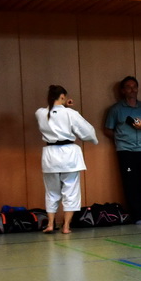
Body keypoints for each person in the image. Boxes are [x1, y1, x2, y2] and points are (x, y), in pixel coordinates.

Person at [36, 85, 98, 234]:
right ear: (63, 96)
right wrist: (93, 140)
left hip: (50, 156)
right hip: (69, 156)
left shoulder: (40, 113)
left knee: (51, 192)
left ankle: (50, 224)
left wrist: (62, 106)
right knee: (70, 191)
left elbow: (51, 111)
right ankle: (66, 227)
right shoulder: (70, 113)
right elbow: (87, 131)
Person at [104, 76, 141, 224]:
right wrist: (121, 138)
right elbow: (108, 130)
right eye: (128, 87)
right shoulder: (116, 109)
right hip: (125, 151)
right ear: (122, 90)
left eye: (134, 87)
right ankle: (137, 216)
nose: (132, 90)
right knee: (131, 184)